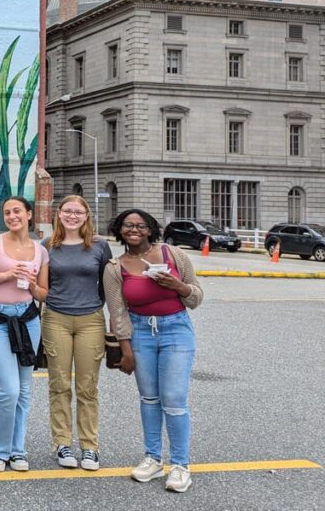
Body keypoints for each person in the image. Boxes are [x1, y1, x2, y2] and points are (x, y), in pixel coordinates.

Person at [104, 209, 203, 494]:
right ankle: (153, 458)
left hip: (176, 329)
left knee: (173, 399)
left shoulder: (173, 255)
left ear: (150, 230)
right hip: (139, 333)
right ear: (119, 230)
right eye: (127, 225)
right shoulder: (114, 267)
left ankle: (180, 466)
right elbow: (118, 312)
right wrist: (126, 350)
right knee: (149, 398)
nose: (133, 229)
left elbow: (196, 297)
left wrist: (178, 285)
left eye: (140, 225)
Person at [0, 196, 49, 473]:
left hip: (28, 319)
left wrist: (30, 286)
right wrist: (6, 274)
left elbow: (43, 293)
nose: (12, 216)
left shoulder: (40, 250)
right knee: (9, 390)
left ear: (29, 214)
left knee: (25, 390)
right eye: (7, 212)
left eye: (17, 211)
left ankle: (17, 450)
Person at [42, 195, 112, 471]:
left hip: (90, 321)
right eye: (67, 211)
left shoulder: (99, 245)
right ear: (59, 214)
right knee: (59, 385)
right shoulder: (48, 245)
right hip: (56, 318)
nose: (72, 216)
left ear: (86, 216)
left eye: (78, 212)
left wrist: (109, 316)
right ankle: (62, 443)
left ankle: (90, 447)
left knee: (87, 387)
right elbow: (39, 282)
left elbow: (109, 284)